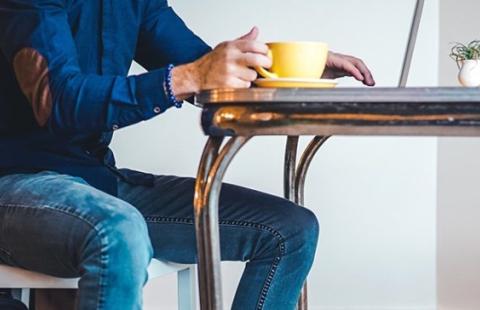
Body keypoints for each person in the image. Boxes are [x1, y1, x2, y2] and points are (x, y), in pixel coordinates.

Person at [0, 0, 375, 309]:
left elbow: (204, 67)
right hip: (14, 183)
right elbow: (60, 102)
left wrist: (298, 73)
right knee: (118, 231)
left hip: (96, 180)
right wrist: (186, 78)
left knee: (291, 230)